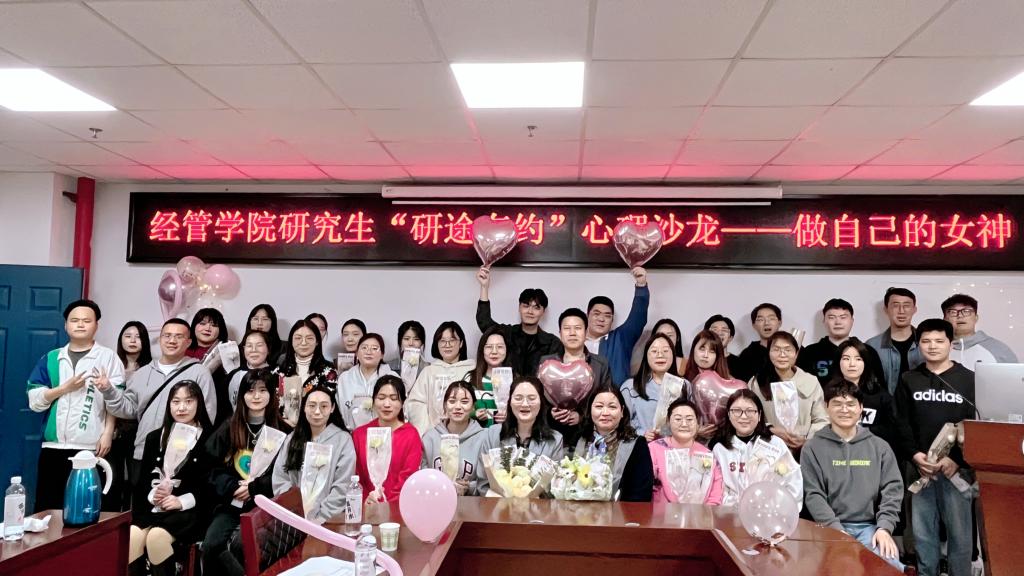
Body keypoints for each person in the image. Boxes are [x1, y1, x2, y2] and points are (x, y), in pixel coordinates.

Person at [97, 318, 216, 503]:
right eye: (167, 336)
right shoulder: (142, 373)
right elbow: (128, 409)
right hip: (143, 451)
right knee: (141, 507)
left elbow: (207, 414)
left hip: (182, 456)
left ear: (188, 342)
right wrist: (108, 390)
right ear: (160, 339)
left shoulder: (199, 372)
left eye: (179, 336)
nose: (172, 340)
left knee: (172, 507)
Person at [893, 319, 976, 576]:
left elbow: (977, 424)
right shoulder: (909, 379)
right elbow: (900, 422)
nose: (932, 346)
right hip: (921, 469)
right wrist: (916, 456)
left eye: (939, 341)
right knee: (922, 534)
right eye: (926, 341)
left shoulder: (969, 380)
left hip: (955, 470)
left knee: (960, 535)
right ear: (918, 345)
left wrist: (957, 460)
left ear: (951, 343)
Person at [27, 299, 125, 512]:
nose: (80, 324)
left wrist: (108, 433)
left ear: (96, 325)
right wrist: (64, 388)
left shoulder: (108, 358)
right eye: (74, 320)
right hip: (53, 447)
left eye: (87, 321)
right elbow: (34, 401)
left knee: (87, 508)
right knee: (48, 509)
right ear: (66, 325)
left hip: (91, 448)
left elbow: (117, 402)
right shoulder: (51, 358)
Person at [801, 380, 904, 571]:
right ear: (826, 407)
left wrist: (884, 527)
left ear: (861, 407)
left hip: (870, 527)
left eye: (850, 404)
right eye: (837, 404)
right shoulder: (812, 448)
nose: (844, 410)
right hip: (828, 528)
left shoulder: (879, 447)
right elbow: (813, 495)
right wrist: (836, 530)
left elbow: (893, 489)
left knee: (888, 563)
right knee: (842, 567)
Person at [129, 380, 214, 576]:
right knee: (132, 536)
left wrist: (180, 501)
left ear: (199, 404)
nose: (181, 408)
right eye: (176, 402)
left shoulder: (210, 438)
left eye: (188, 401)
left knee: (156, 537)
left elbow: (210, 486)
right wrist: (154, 495)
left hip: (190, 511)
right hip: (155, 508)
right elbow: (142, 482)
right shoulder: (154, 438)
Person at [203, 369, 282, 576]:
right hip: (232, 503)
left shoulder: (282, 429)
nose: (256, 396)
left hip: (267, 506)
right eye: (250, 391)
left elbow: (285, 474)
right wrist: (233, 487)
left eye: (262, 390)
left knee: (243, 546)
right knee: (211, 545)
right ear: (241, 395)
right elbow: (210, 467)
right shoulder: (229, 427)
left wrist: (255, 488)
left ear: (272, 394)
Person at [272, 386, 356, 525]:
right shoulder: (292, 439)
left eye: (324, 406)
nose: (317, 411)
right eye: (312, 405)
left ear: (332, 408)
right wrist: (295, 510)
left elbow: (342, 486)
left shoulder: (343, 440)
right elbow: (280, 478)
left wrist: (321, 518)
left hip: (328, 522)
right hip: (293, 520)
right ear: (304, 408)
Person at [709, 389, 803, 507]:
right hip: (730, 513)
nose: (744, 416)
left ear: (759, 415)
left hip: (769, 512)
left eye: (750, 411)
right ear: (729, 414)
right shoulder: (720, 449)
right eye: (737, 411)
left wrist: (773, 507)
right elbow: (715, 488)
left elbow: (793, 482)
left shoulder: (775, 444)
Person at [476, 376, 564, 495]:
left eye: (531, 398)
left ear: (541, 403)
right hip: (497, 504)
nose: (525, 404)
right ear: (510, 402)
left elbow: (555, 489)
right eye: (518, 398)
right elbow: (482, 484)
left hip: (537, 505)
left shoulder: (555, 440)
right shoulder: (492, 434)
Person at [539, 308, 613, 448]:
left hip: (589, 437)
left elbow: (606, 400)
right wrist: (550, 412)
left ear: (586, 332)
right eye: (567, 328)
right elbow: (537, 397)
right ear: (560, 333)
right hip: (552, 436)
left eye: (577, 328)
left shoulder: (600, 364)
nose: (572, 333)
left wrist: (581, 416)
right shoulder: (546, 363)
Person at [749, 331, 828, 452]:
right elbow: (749, 416)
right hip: (768, 448)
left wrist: (807, 440)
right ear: (769, 353)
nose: (782, 354)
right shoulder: (757, 383)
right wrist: (769, 430)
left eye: (788, 349)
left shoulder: (811, 381)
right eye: (776, 349)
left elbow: (822, 419)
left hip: (805, 449)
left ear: (796, 354)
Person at [476, 267, 562, 376]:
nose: (530, 311)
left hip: (537, 387)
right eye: (526, 306)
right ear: (519, 308)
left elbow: (554, 377)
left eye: (536, 308)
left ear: (543, 312)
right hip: (506, 386)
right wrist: (484, 287)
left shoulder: (552, 343)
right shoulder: (507, 333)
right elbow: (484, 322)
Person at [573, 386, 653, 502]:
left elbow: (641, 493)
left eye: (612, 407)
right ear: (590, 410)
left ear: (622, 411)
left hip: (621, 511)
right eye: (599, 406)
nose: (605, 413)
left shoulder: (636, 445)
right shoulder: (580, 439)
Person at [352, 375, 423, 504]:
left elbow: (408, 479)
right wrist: (366, 501)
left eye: (394, 398)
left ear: (402, 403)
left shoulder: (411, 435)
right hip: (365, 508)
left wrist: (386, 504)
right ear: (373, 401)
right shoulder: (359, 435)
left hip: (399, 508)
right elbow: (356, 477)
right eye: (381, 398)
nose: (387, 404)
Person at [649, 398, 724, 505]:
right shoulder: (654, 449)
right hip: (661, 513)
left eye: (689, 419)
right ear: (668, 422)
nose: (684, 424)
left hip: (700, 513)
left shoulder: (706, 455)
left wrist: (705, 512)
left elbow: (715, 491)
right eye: (678, 419)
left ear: (698, 423)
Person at [407, 321, 476, 434]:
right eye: (442, 341)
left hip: (468, 434)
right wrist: (428, 431)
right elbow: (415, 402)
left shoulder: (473, 370)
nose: (447, 345)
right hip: (435, 434)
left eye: (452, 340)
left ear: (461, 343)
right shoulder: (429, 371)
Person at [112, 320, 153, 510]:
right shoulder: (112, 366)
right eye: (128, 336)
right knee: (113, 477)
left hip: (138, 429)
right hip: (112, 430)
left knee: (136, 478)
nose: (133, 340)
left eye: (138, 337)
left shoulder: (151, 369)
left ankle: (133, 516)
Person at [584, 267, 650, 386]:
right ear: (587, 315)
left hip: (615, 395)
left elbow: (637, 317)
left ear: (612, 320)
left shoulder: (620, 339)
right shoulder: (575, 341)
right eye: (596, 314)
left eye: (607, 316)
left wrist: (641, 286)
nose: (601, 319)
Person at [420, 381, 488, 496]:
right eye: (452, 401)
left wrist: (469, 487)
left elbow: (488, 482)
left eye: (464, 402)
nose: (458, 407)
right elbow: (422, 477)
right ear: (445, 405)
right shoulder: (430, 438)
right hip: (436, 501)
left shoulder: (484, 438)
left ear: (473, 406)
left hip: (471, 504)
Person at [826, 338, 896, 446]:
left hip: (871, 449)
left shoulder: (880, 395)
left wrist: (859, 433)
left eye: (858, 359)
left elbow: (891, 428)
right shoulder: (828, 393)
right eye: (846, 358)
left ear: (865, 362)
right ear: (838, 362)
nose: (852, 364)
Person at [621, 334, 689, 441]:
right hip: (642, 446)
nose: (660, 355)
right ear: (646, 356)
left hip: (677, 447)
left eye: (665, 351)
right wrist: (641, 433)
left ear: (673, 355)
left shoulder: (685, 385)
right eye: (654, 351)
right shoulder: (630, 386)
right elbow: (620, 422)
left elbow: (691, 419)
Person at [867, 287, 922, 395]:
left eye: (906, 305)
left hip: (921, 404)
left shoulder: (926, 344)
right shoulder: (872, 346)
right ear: (886, 309)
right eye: (895, 305)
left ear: (914, 309)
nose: (901, 311)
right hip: (886, 404)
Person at [941, 293, 1018, 369]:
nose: (960, 316)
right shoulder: (937, 349)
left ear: (976, 318)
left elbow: (1016, 376)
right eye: (953, 312)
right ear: (944, 319)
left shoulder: (999, 349)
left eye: (966, 311)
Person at [682, 330, 735, 437]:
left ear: (718, 355)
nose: (705, 355)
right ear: (693, 350)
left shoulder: (729, 384)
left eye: (712, 351)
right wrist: (694, 432)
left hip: (722, 440)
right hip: (688, 440)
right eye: (702, 349)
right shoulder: (683, 383)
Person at [337, 333, 395, 430]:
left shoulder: (392, 378)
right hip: (350, 434)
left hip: (385, 433)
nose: (369, 352)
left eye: (374, 348)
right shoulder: (345, 378)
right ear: (357, 353)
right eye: (364, 348)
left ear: (382, 355)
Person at [187, 308, 231, 424]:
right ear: (194, 326)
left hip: (215, 412)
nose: (207, 328)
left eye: (214, 325)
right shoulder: (182, 351)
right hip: (184, 407)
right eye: (202, 323)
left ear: (221, 330)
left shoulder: (226, 352)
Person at [797, 299, 856, 384]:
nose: (838, 322)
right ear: (824, 321)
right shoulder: (809, 353)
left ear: (852, 321)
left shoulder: (866, 351)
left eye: (843, 317)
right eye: (831, 317)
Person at [464, 327, 514, 428]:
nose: (494, 351)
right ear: (482, 350)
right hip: (478, 436)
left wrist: (510, 416)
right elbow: (460, 409)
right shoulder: (470, 378)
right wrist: (474, 414)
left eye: (500, 347)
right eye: (489, 347)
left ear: (507, 350)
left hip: (507, 435)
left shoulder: (515, 380)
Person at [278, 319, 337, 396]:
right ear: (291, 341)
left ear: (317, 342)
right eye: (298, 338)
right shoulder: (280, 369)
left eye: (309, 338)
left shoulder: (329, 371)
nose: (303, 343)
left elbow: (328, 399)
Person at [226, 330, 280, 413]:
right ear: (244, 349)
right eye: (249, 346)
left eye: (259, 345)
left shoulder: (278, 373)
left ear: (268, 349)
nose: (254, 350)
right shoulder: (235, 374)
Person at [734, 303, 782, 382]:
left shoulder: (794, 349)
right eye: (760, 320)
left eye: (771, 318)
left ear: (779, 323)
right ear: (754, 325)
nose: (766, 323)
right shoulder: (747, 355)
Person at [386, 320, 427, 384]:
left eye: (416, 339)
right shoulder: (388, 366)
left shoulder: (428, 368)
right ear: (400, 342)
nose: (411, 343)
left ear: (422, 343)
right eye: (406, 339)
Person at [704, 315, 743, 380]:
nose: (719, 333)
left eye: (724, 330)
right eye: (714, 329)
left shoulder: (740, 363)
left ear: (730, 338)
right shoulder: (701, 359)